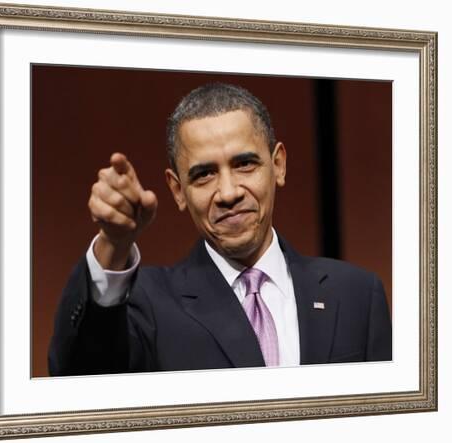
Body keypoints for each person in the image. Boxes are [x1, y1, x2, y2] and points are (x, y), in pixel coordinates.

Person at [48, 83, 392, 376]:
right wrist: (114, 243)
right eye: (204, 174)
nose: (228, 193)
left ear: (278, 165)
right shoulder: (146, 303)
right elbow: (78, 376)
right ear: (178, 190)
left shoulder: (357, 294)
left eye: (244, 164)